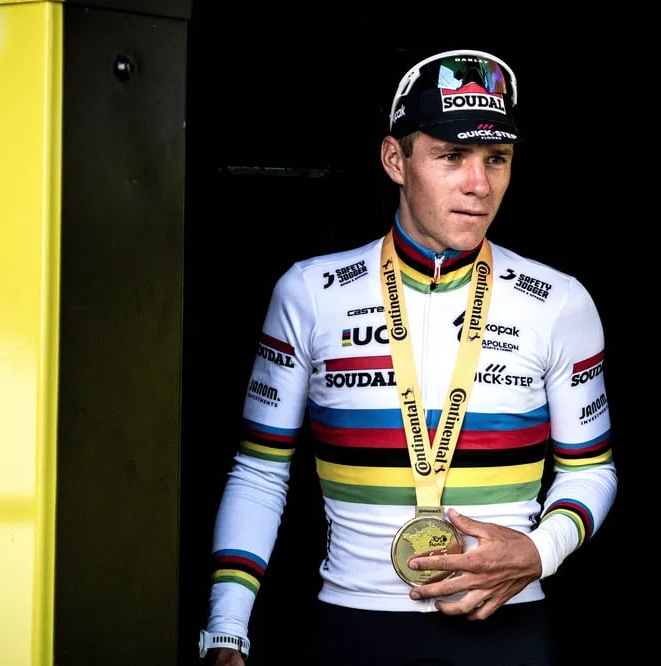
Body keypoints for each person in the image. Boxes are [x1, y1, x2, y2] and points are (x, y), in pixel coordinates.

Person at [197, 48, 617, 666]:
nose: (479, 185)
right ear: (395, 160)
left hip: (508, 626)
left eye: (496, 159)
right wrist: (227, 627)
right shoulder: (310, 293)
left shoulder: (559, 301)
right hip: (353, 626)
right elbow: (260, 470)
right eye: (452, 156)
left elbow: (592, 470)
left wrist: (538, 551)